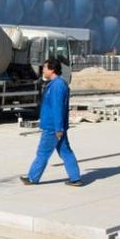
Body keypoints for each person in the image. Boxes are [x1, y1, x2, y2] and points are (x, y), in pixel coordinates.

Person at [20, 58, 82, 186]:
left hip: (53, 127)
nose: (43, 70)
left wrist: (58, 128)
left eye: (45, 68)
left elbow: (57, 108)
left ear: (52, 70)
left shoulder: (57, 85)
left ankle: (33, 178)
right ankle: (75, 178)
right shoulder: (55, 84)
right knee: (65, 152)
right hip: (57, 126)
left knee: (42, 152)